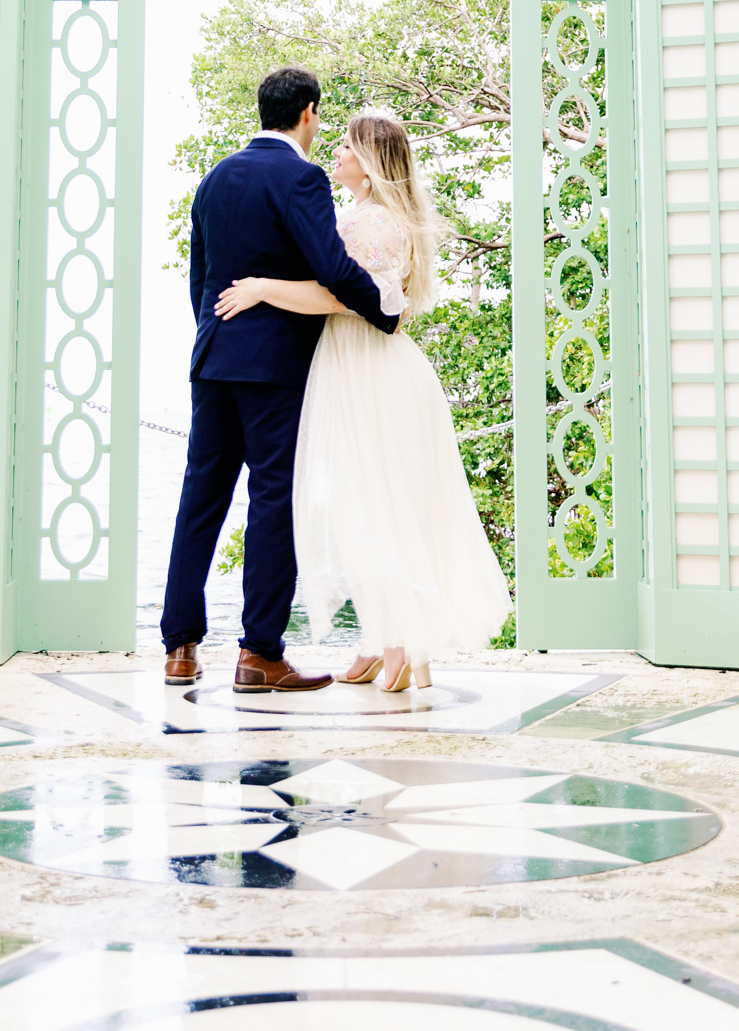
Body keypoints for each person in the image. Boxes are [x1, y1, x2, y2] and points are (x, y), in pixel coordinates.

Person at [215, 108, 510, 693]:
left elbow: (346, 299)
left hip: (370, 372)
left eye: (349, 148)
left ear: (370, 165)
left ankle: (398, 645)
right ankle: (381, 640)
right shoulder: (366, 215)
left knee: (379, 505)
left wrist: (262, 288)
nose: (338, 155)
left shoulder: (371, 223)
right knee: (366, 503)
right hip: (358, 367)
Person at [160, 65, 395, 692]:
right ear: (309, 113)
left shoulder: (214, 178)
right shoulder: (300, 177)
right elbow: (332, 265)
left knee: (200, 497)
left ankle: (179, 647)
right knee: (273, 501)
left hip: (212, 361)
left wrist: (219, 342)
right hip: (276, 368)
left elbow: (200, 280)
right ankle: (259, 653)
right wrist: (384, 313)